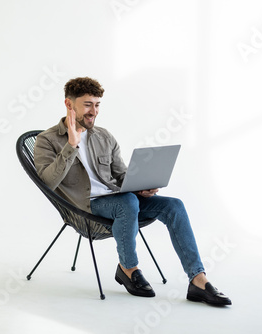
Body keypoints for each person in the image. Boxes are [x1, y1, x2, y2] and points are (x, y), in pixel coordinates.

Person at [34, 77, 231, 306]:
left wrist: (141, 186)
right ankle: (128, 268)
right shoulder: (46, 140)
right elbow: (48, 182)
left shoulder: (104, 136)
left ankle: (198, 280)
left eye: (97, 105)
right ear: (69, 104)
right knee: (127, 202)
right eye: (88, 104)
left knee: (173, 206)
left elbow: (120, 175)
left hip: (121, 200)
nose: (94, 111)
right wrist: (71, 145)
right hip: (86, 207)